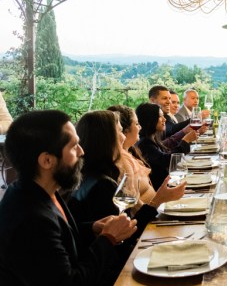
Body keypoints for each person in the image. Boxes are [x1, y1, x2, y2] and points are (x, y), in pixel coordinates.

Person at [0, 110, 137, 286]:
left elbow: (57, 239)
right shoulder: (30, 218)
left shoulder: (40, 190)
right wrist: (108, 239)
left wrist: (93, 228)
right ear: (47, 160)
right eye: (73, 147)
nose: (82, 152)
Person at [68, 110, 185, 262]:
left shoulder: (83, 175)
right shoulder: (103, 184)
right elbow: (125, 237)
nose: (123, 138)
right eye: (120, 131)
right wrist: (157, 201)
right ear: (106, 139)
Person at [136, 103, 196, 189]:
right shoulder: (144, 143)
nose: (164, 119)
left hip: (167, 186)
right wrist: (185, 141)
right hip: (160, 191)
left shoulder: (153, 138)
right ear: (150, 119)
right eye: (160, 117)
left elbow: (167, 153)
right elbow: (166, 160)